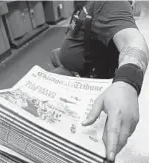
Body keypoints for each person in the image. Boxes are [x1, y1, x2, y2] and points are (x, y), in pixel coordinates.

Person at [50, 1, 149, 162]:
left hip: (86, 92)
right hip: (68, 75)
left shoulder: (110, 2)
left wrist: (128, 81)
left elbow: (133, 43)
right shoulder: (84, 3)